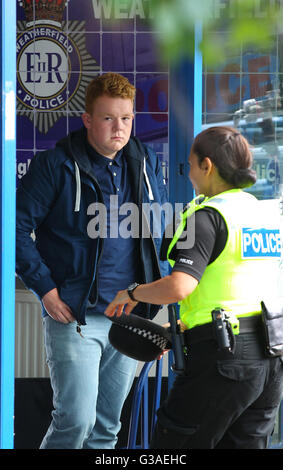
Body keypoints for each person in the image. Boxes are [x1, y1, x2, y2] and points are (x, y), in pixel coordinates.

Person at [105, 126, 283, 449]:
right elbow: (237, 283)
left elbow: (179, 286)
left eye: (190, 165)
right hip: (270, 358)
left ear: (208, 166)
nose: (188, 175)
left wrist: (131, 294)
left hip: (223, 358)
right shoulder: (264, 214)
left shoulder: (207, 217)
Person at [16, 72, 168, 449]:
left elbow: (163, 231)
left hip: (128, 316)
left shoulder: (145, 161)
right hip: (76, 317)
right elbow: (13, 230)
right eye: (108, 118)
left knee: (106, 428)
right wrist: (47, 292)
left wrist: (158, 304)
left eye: (127, 118)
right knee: (76, 422)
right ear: (87, 120)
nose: (119, 128)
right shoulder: (55, 165)